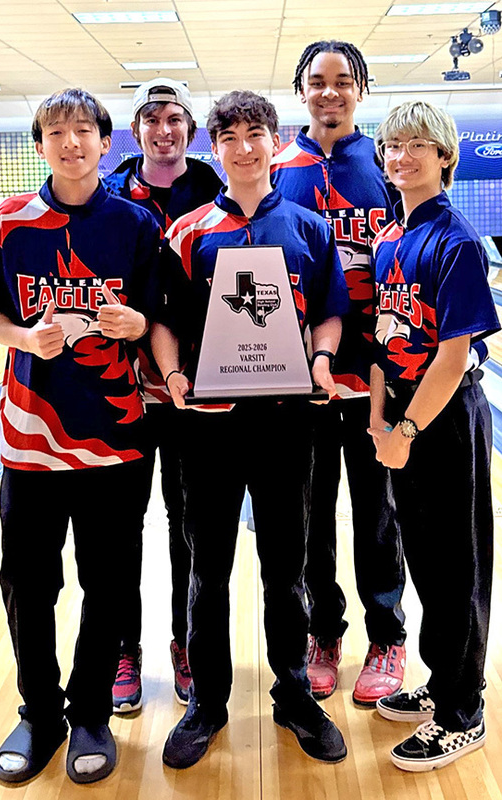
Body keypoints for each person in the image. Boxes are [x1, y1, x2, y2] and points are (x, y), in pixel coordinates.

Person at [150, 90, 350, 769]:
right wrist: (174, 376)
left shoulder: (309, 228)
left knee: (283, 569)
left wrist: (321, 358)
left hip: (285, 422)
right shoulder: (187, 233)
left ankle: (293, 694)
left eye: (254, 132)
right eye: (228, 136)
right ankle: (207, 701)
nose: (243, 146)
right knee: (207, 570)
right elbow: (164, 321)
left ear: (272, 141)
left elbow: (328, 311)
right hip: (207, 425)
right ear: (216, 149)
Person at [0, 88, 160, 784]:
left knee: (106, 582)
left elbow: (154, 316)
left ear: (106, 144)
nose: (71, 141)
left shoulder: (135, 225)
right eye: (56, 131)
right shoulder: (6, 223)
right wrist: (24, 336)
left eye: (84, 130)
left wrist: (133, 325)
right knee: (26, 579)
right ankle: (39, 713)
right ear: (40, 144)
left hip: (115, 438)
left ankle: (88, 716)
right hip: (29, 436)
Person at [271, 39, 406, 706]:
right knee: (310, 517)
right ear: (300, 91)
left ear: (360, 90)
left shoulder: (388, 164)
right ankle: (323, 634)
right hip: (300, 380)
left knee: (377, 515)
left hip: (375, 375)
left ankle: (386, 637)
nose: (329, 92)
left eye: (341, 81)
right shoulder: (276, 170)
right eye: (316, 81)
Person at [369, 100, 499, 771]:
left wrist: (409, 429)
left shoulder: (455, 241)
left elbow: (451, 359)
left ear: (444, 155)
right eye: (392, 144)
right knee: (423, 562)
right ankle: (441, 679)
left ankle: (462, 712)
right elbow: (380, 341)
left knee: (456, 569)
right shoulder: (389, 239)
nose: (401, 155)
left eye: (417, 144)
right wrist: (377, 422)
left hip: (443, 423)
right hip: (402, 424)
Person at [104, 78, 222, 712]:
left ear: (190, 129)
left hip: (191, 390)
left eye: (175, 118)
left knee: (187, 525)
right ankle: (125, 646)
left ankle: (185, 642)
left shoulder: (213, 186)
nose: (164, 129)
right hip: (121, 387)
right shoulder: (113, 191)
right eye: (152, 119)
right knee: (123, 526)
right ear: (137, 128)